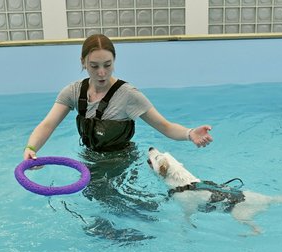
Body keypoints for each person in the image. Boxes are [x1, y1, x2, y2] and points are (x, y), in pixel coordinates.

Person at [23, 34, 213, 161]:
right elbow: (48, 124)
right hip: (91, 160)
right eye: (94, 66)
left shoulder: (129, 95)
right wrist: (31, 148)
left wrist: (189, 134)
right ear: (83, 63)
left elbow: (165, 126)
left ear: (114, 61)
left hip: (122, 164)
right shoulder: (73, 92)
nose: (102, 73)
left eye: (107, 64)